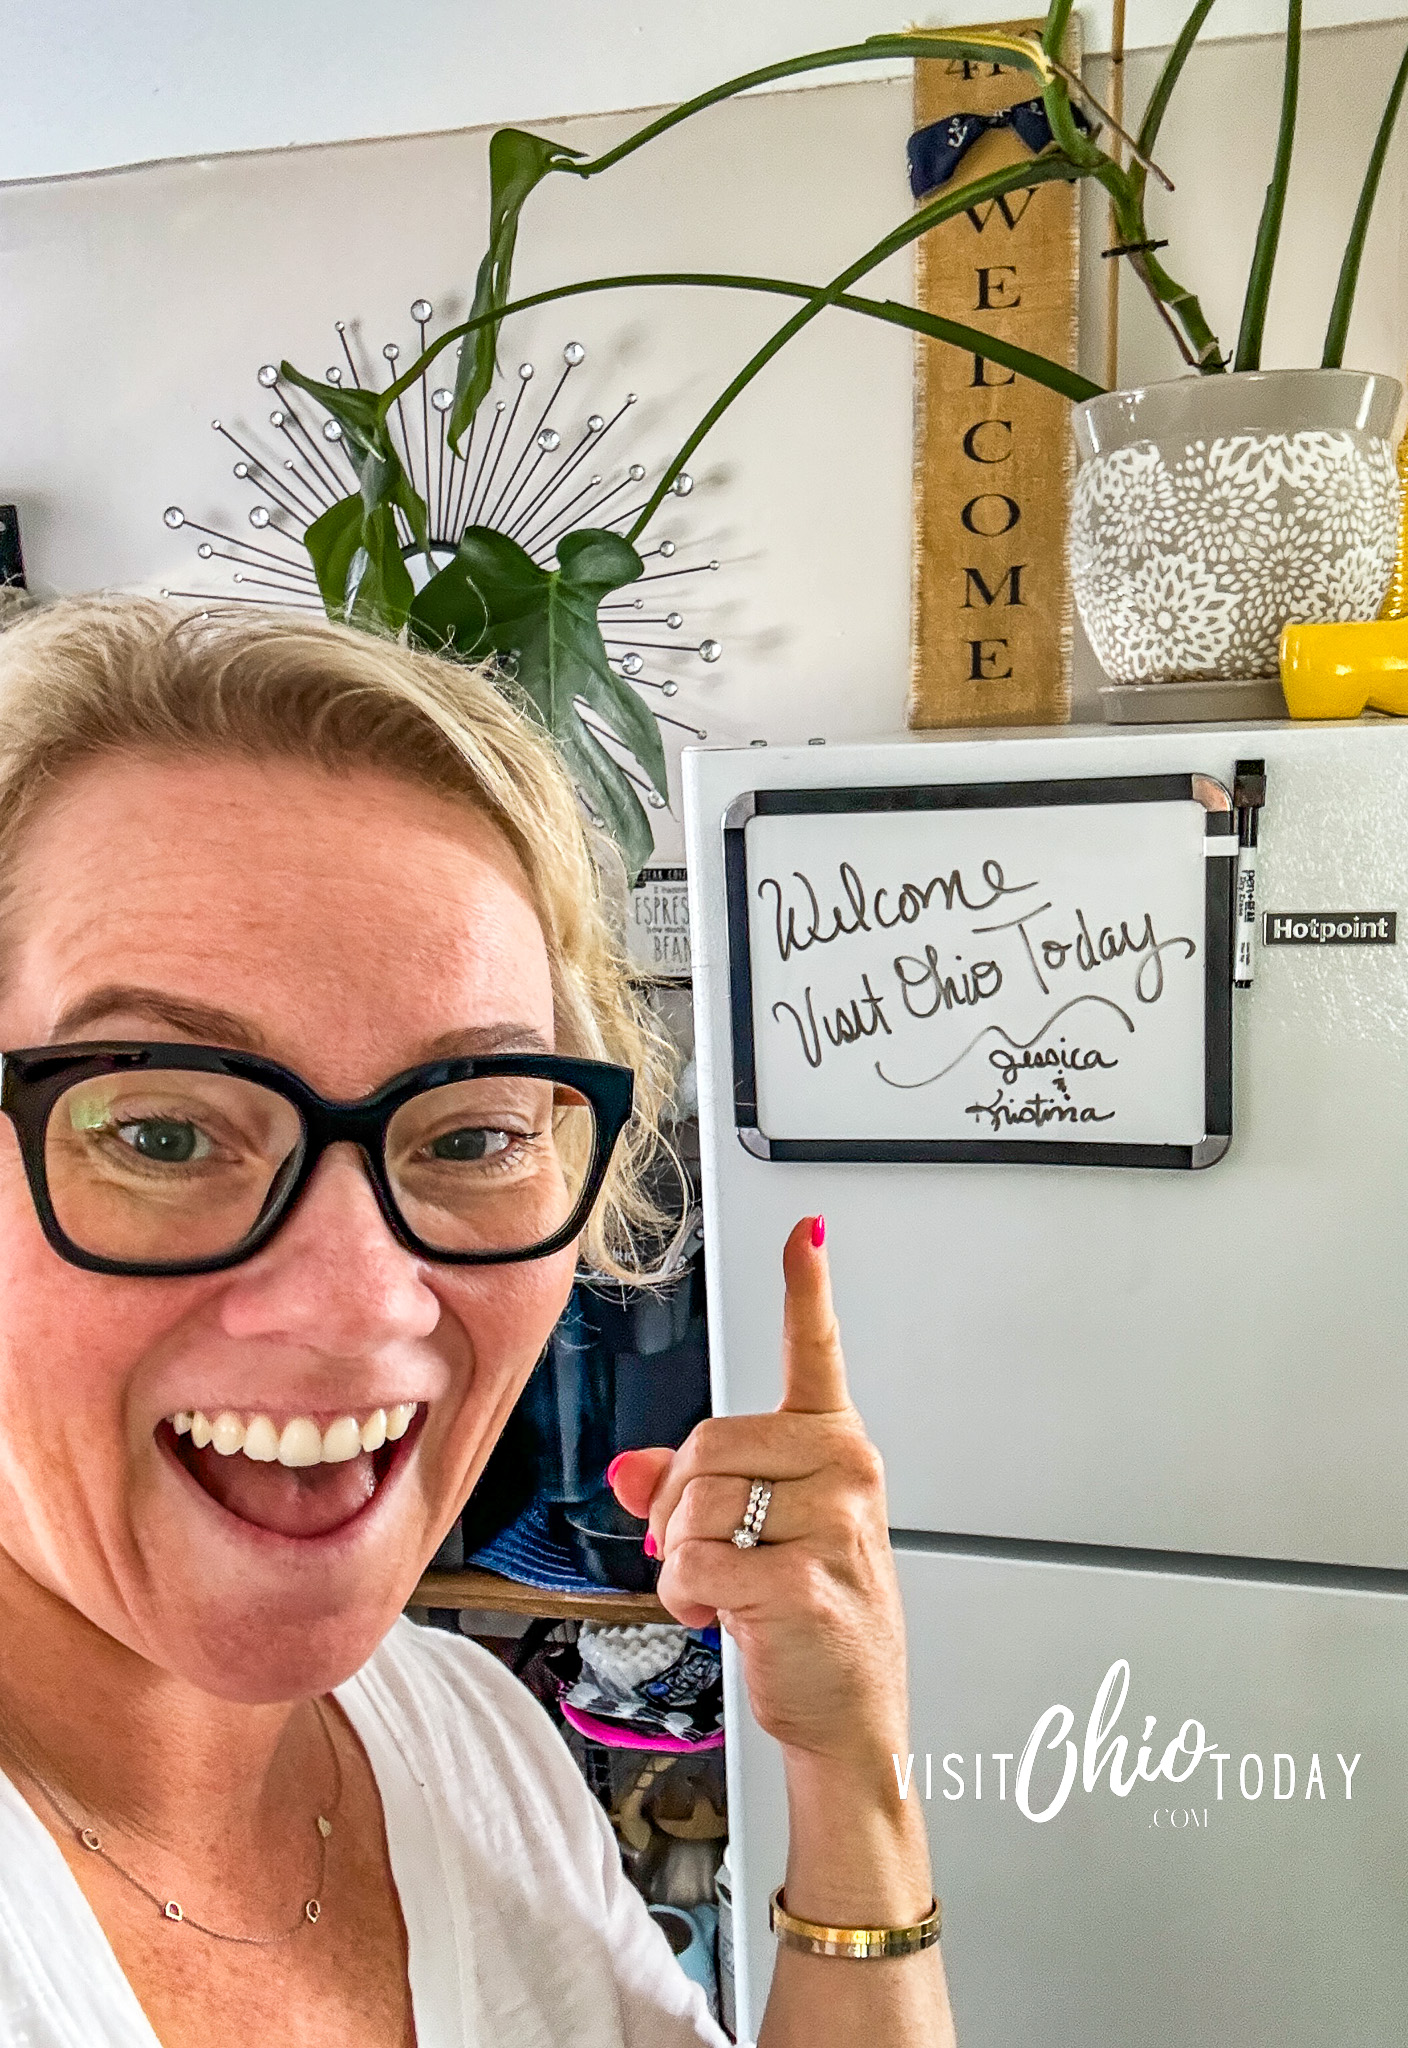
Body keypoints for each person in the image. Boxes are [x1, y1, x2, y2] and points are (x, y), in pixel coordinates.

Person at [0, 598, 954, 2048]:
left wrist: (854, 1775)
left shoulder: (469, 1741)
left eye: (470, 1135)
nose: (363, 1301)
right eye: (161, 1136)